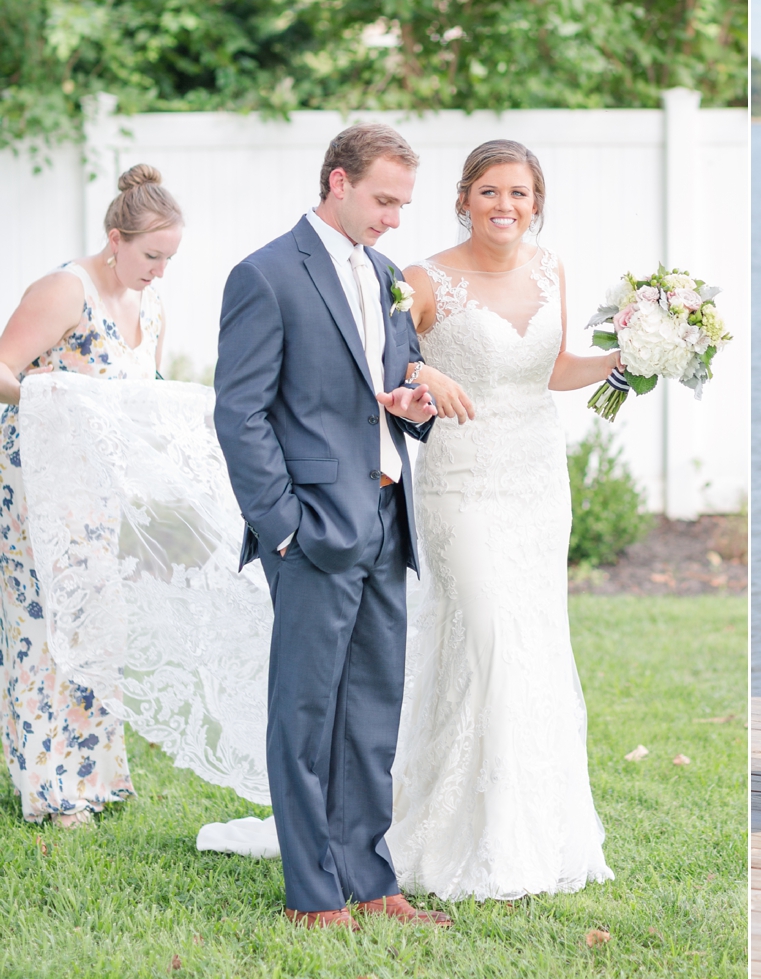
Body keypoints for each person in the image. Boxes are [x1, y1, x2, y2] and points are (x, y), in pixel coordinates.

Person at [214, 123, 448, 930]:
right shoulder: (266, 274)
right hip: (312, 529)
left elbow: (392, 380)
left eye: (402, 204)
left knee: (374, 709)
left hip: (388, 519)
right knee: (307, 713)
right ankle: (313, 893)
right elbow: (239, 413)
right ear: (338, 182)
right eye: (384, 199)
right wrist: (281, 525)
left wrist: (412, 406)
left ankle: (371, 879)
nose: (394, 218)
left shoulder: (385, 274)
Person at [386, 139, 619, 901]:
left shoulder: (550, 270)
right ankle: (466, 834)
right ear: (464, 198)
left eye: (519, 193)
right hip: (460, 481)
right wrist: (421, 368)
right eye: (490, 192)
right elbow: (375, 359)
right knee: (486, 637)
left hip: (536, 479)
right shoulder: (423, 279)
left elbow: (554, 371)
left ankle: (535, 828)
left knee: (534, 639)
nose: (505, 206)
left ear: (537, 202)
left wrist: (628, 362)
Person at [0, 164, 183, 827]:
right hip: (36, 480)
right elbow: (2, 367)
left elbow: (146, 393)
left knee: (95, 624)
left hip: (99, 489)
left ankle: (95, 774)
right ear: (115, 238)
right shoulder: (64, 290)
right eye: (150, 255)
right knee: (44, 628)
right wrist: (61, 403)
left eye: (169, 258)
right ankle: (49, 786)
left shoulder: (153, 303)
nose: (159, 270)